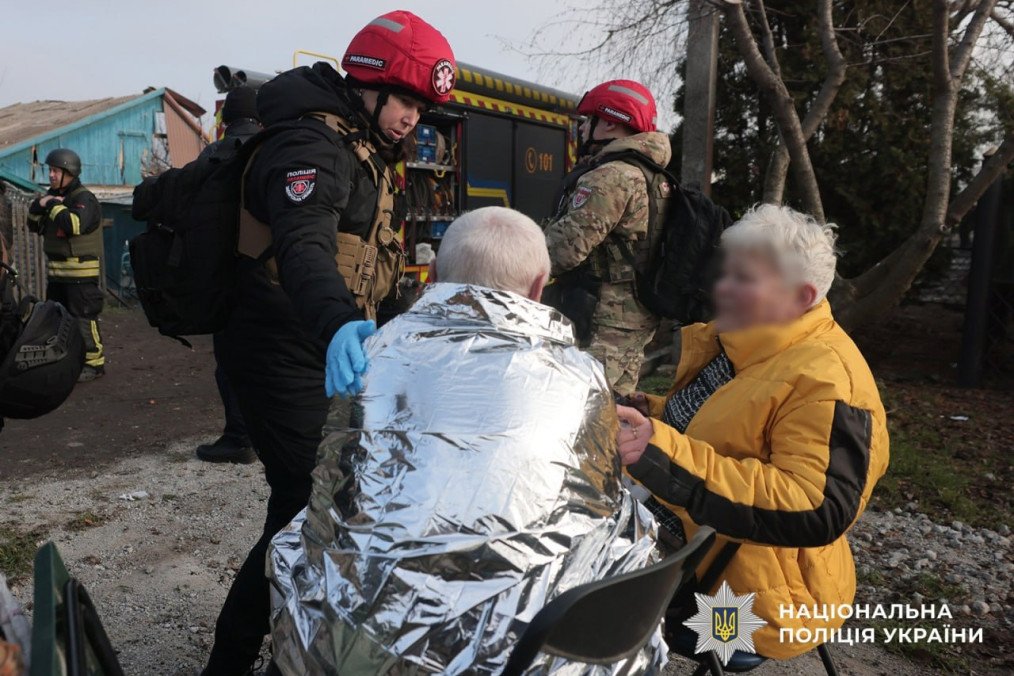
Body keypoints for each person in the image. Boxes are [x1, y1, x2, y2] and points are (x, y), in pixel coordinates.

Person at [268, 207, 662, 675]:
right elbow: (596, 509)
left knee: (291, 540)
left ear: (433, 275)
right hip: (533, 652)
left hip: (362, 648)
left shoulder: (369, 357)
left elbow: (334, 503)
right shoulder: (583, 377)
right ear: (539, 287)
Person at [201, 12, 456, 675]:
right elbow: (305, 246)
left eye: (422, 106)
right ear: (369, 83)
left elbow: (372, 262)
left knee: (314, 503)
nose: (412, 118)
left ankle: (291, 639)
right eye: (405, 99)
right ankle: (232, 660)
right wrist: (340, 319)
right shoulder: (312, 148)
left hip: (315, 345)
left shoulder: (365, 150)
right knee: (306, 504)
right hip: (278, 347)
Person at [615, 204, 890, 660]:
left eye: (743, 280)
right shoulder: (756, 340)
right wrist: (657, 414)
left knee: (572, 596)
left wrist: (660, 451)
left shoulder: (828, 381)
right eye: (727, 273)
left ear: (801, 297)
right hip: (704, 548)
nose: (721, 287)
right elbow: (729, 430)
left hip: (751, 605)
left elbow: (814, 506)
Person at [543, 79, 671, 397]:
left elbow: (563, 250)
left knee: (587, 411)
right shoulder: (652, 175)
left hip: (603, 322)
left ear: (610, 122)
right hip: (634, 317)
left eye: (590, 120)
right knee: (618, 406)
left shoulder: (611, 177)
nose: (584, 128)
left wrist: (510, 265)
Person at [194, 86, 262, 464]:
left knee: (231, 361)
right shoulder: (277, 149)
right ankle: (265, 431)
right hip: (274, 274)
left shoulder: (214, 154)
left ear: (224, 120)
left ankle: (239, 437)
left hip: (227, 274)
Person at [26, 149, 105, 382]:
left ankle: (94, 363)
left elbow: (73, 224)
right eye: (49, 170)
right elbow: (33, 224)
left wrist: (50, 204)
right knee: (58, 320)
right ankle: (66, 359)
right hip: (58, 275)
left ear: (69, 173)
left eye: (55, 171)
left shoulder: (84, 198)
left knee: (83, 318)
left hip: (80, 274)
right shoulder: (53, 197)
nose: (50, 175)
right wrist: (40, 204)